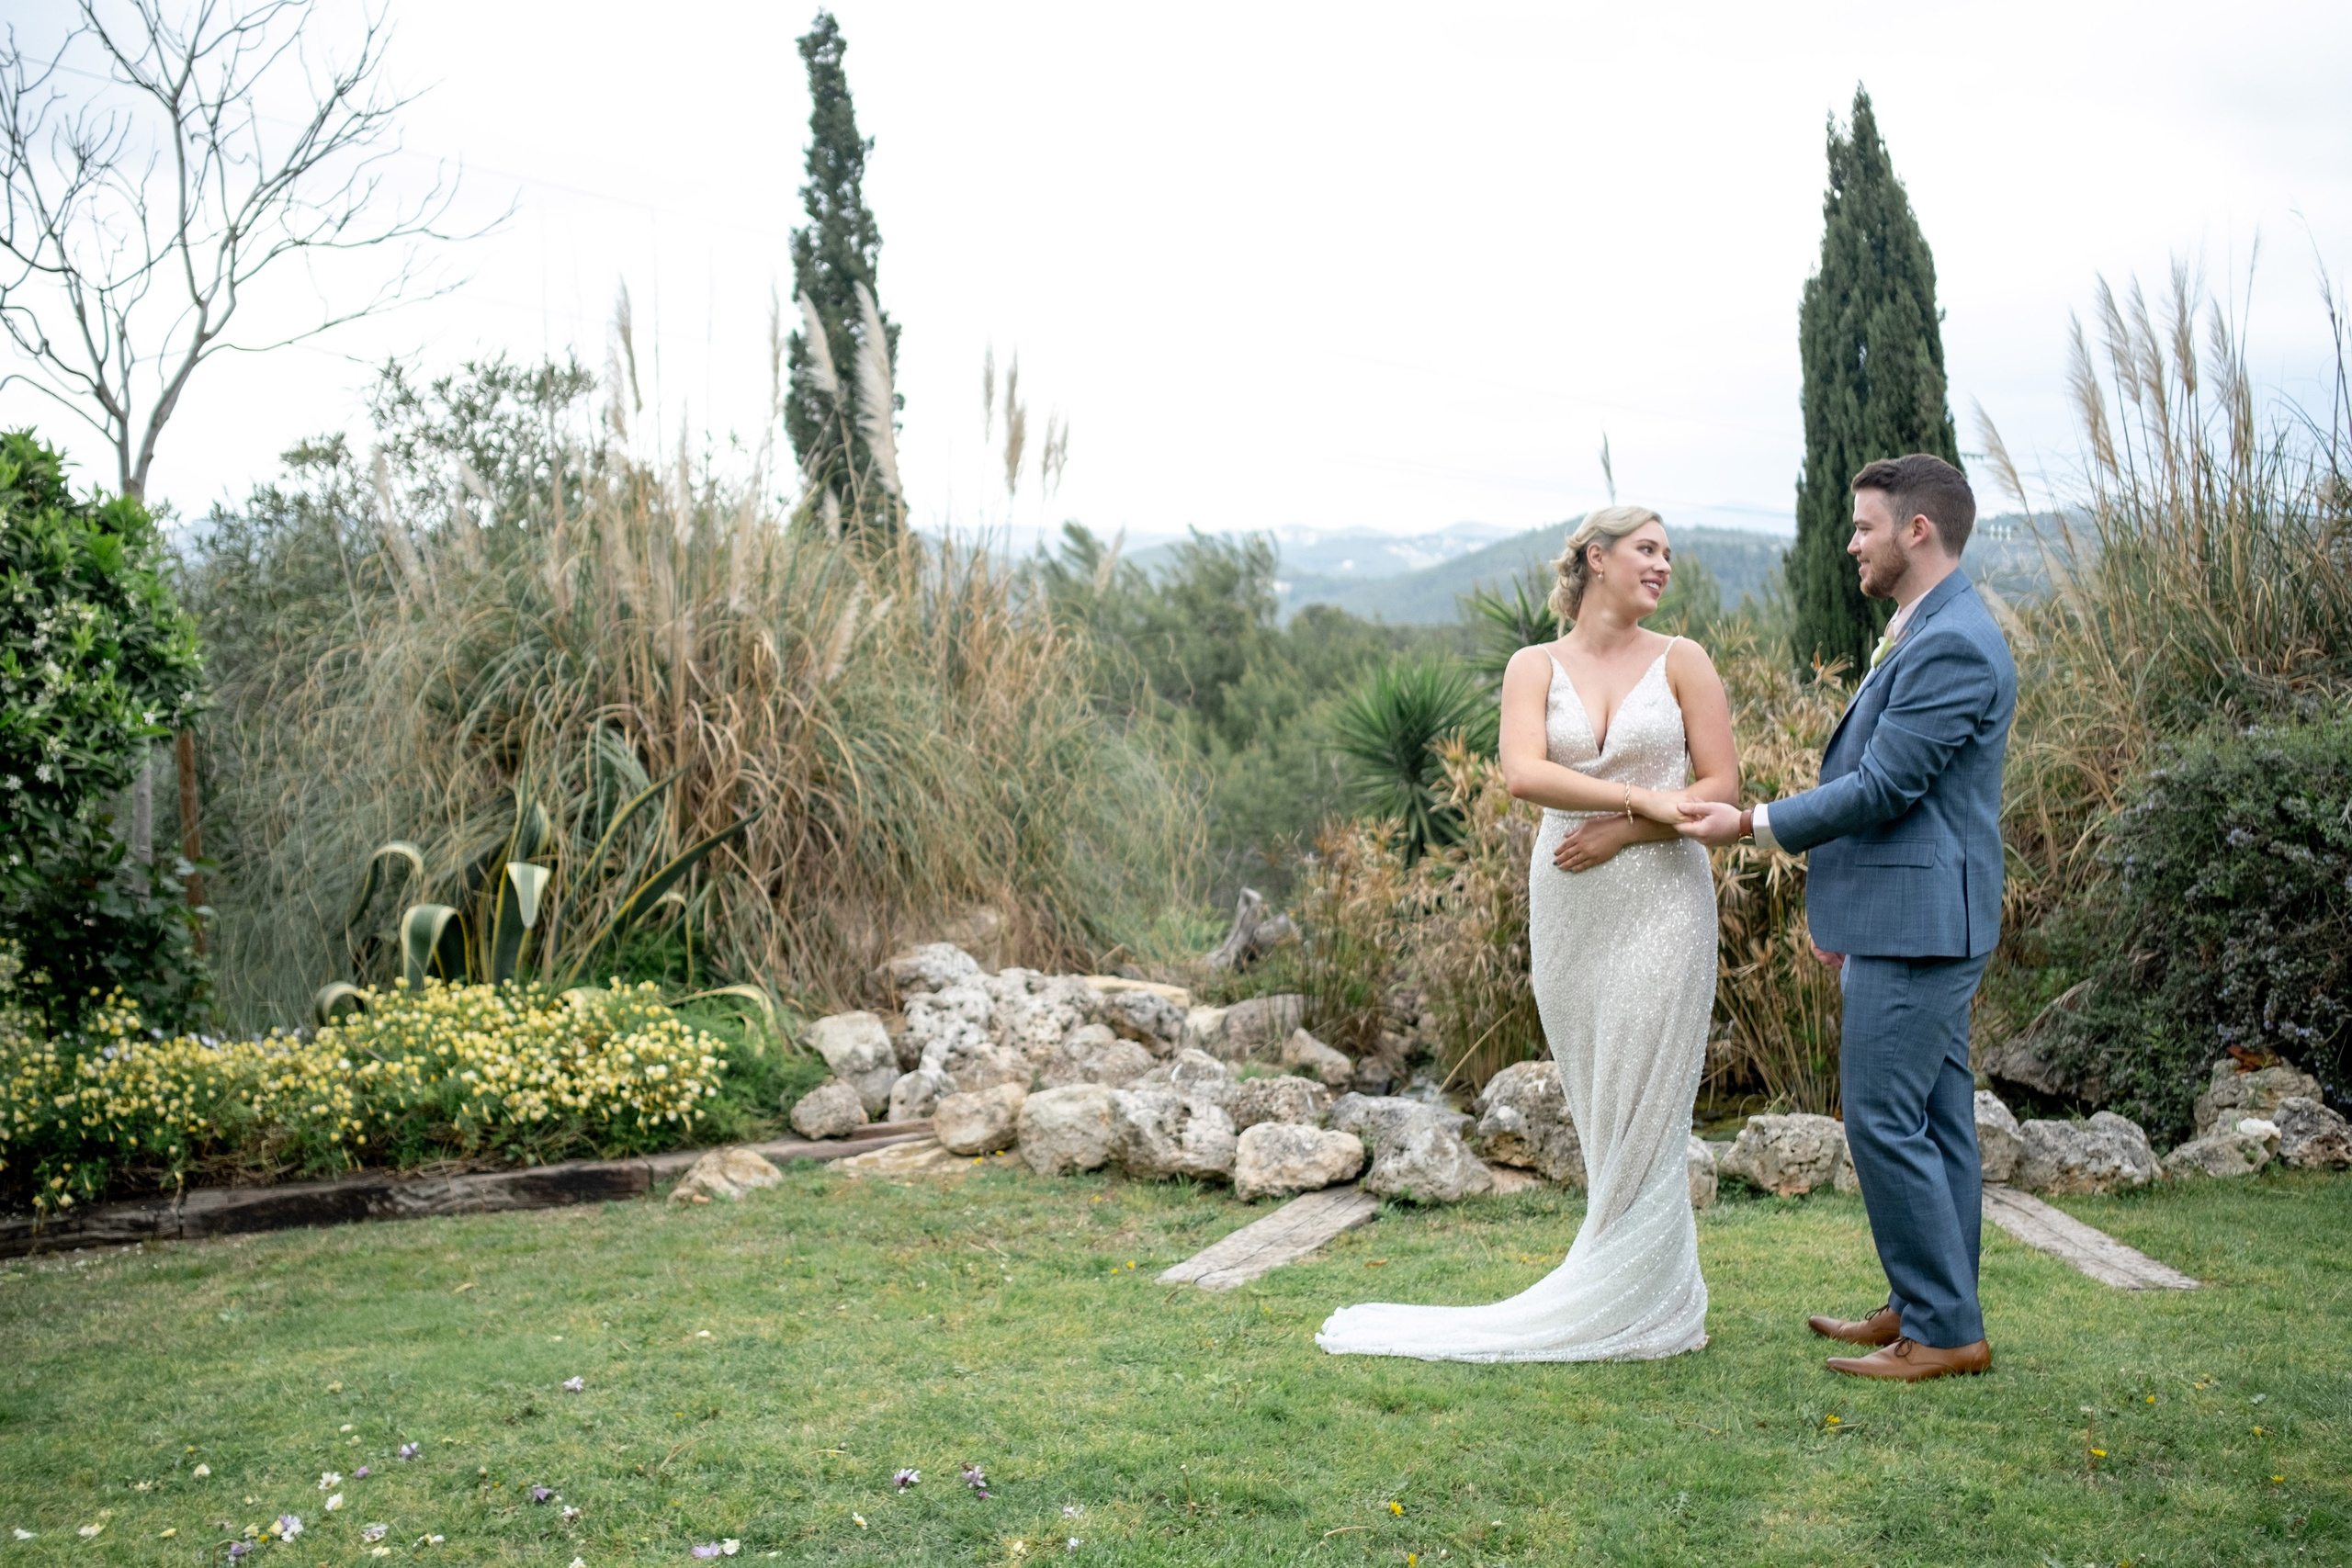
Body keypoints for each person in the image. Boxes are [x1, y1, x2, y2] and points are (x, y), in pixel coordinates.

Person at [1317, 506, 1738, 1362]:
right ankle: (1624, 1287)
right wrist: (1640, 797)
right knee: (1599, 1094)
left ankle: (1654, 1301)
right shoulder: (1532, 665)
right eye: (1646, 550)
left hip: (1664, 898)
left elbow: (1723, 786)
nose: (1663, 566)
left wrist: (1633, 824)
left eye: (1668, 554)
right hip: (1573, 902)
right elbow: (1523, 772)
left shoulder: (1684, 659)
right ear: (1597, 557)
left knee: (1652, 1096)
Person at [1679, 453, 2016, 1382]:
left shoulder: (1951, 641)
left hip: (1920, 928)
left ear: (1917, 530)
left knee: (1878, 1120)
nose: (1850, 542)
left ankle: (1945, 1332)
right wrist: (1846, 906)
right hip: (1901, 915)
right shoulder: (1926, 623)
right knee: (1936, 1122)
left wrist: (1750, 822)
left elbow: (1883, 786)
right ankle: (1928, 1306)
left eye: (1864, 526)